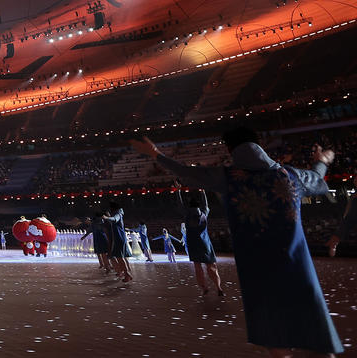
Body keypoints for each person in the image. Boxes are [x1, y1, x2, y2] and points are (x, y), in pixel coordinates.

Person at [132, 128, 343, 356]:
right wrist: (321, 161)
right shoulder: (290, 175)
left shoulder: (228, 178)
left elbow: (186, 173)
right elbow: (318, 179)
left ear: (230, 150)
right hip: (297, 266)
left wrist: (155, 154)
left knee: (275, 334)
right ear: (259, 144)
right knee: (315, 329)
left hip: (257, 270)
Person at [182, 191, 223, 297]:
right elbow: (206, 205)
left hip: (193, 243)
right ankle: (219, 287)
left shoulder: (187, 214)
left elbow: (180, 204)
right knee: (211, 266)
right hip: (205, 242)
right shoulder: (203, 213)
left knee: (198, 267)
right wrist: (203, 192)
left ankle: (204, 288)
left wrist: (177, 191)